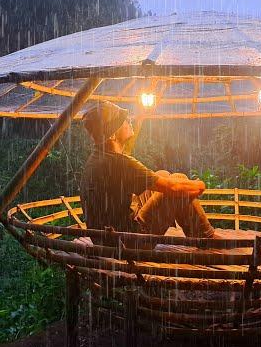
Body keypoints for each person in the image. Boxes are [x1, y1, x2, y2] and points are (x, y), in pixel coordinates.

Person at [79, 100, 219, 246]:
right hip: (128, 243)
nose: (129, 121)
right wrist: (200, 184)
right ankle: (206, 238)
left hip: (106, 239)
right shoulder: (118, 163)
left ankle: (201, 235)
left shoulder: (97, 158)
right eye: (123, 120)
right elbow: (173, 187)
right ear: (112, 135)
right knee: (178, 181)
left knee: (163, 174)